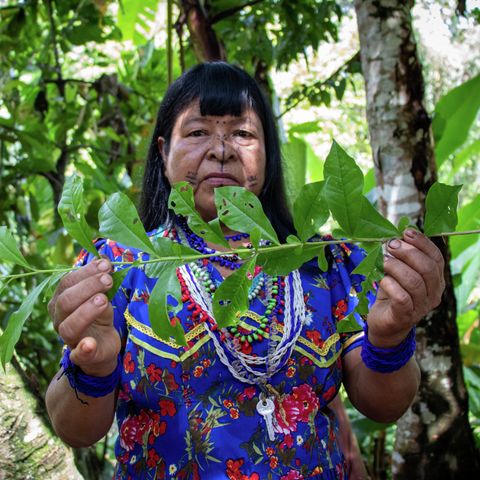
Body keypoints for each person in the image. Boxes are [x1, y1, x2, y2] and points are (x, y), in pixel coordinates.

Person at [46, 62, 445, 480]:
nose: (221, 149)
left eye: (243, 134)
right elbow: (74, 429)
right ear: (163, 153)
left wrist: (390, 338)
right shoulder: (121, 266)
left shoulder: (326, 260)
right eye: (198, 132)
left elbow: (383, 404)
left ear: (268, 154)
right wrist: (91, 367)